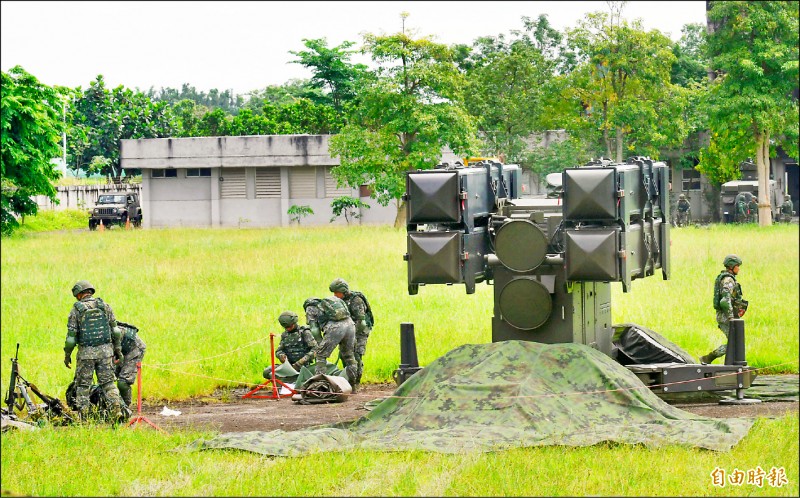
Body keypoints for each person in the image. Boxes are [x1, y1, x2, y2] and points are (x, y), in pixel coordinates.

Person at [63, 280, 126, 421]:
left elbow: (71, 339)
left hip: (86, 355)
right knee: (108, 385)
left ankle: (84, 417)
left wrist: (67, 355)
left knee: (83, 386)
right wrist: (118, 350)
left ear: (79, 294)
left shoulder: (76, 310)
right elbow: (115, 331)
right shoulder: (105, 306)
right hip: (105, 353)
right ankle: (116, 410)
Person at [700, 255, 748, 364]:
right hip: (726, 316)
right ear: (732, 267)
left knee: (734, 343)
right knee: (734, 343)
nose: (739, 269)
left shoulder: (726, 278)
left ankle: (713, 359)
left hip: (725, 315)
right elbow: (724, 301)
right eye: (737, 266)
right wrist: (731, 317)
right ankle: (709, 357)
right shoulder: (728, 280)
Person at [306, 296, 358, 392]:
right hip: (350, 325)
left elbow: (314, 329)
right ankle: (353, 387)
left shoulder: (310, 308)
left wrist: (320, 344)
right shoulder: (330, 304)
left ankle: (320, 388)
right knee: (349, 357)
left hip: (335, 328)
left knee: (320, 356)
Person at [329, 278, 374, 387]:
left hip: (359, 331)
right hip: (347, 330)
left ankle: (356, 382)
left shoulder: (356, 300)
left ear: (343, 291)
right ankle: (348, 379)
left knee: (356, 355)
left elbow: (361, 322)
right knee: (345, 355)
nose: (335, 295)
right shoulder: (340, 301)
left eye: (337, 293)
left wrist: (352, 337)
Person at [114, 321, 146, 409]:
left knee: (122, 382)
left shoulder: (112, 331)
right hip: (119, 351)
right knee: (106, 380)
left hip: (133, 349)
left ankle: (125, 408)